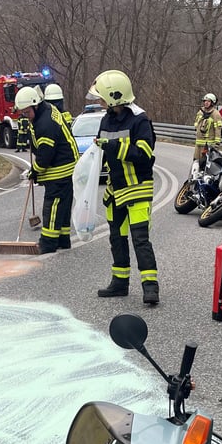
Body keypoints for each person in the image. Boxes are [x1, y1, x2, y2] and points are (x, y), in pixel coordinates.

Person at [89, 70, 160, 305]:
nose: (99, 101)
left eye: (101, 97)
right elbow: (103, 151)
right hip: (115, 191)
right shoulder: (106, 119)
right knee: (116, 239)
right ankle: (119, 283)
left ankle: (150, 287)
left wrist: (114, 146)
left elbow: (145, 155)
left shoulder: (139, 119)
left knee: (140, 239)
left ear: (113, 96)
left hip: (137, 189)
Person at [13, 86, 79, 253]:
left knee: (53, 205)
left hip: (60, 170)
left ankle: (48, 243)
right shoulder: (46, 110)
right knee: (63, 207)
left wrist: (34, 171)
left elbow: (45, 158)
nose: (25, 116)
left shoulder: (45, 124)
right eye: (23, 114)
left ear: (36, 105)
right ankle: (63, 240)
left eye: (27, 113)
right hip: (67, 166)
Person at [194, 92, 222, 170]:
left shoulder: (216, 114)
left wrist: (216, 144)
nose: (206, 103)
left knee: (205, 165)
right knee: (195, 163)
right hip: (198, 144)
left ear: (212, 103)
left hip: (208, 145)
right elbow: (196, 125)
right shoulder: (200, 112)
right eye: (205, 101)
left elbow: (218, 130)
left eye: (208, 101)